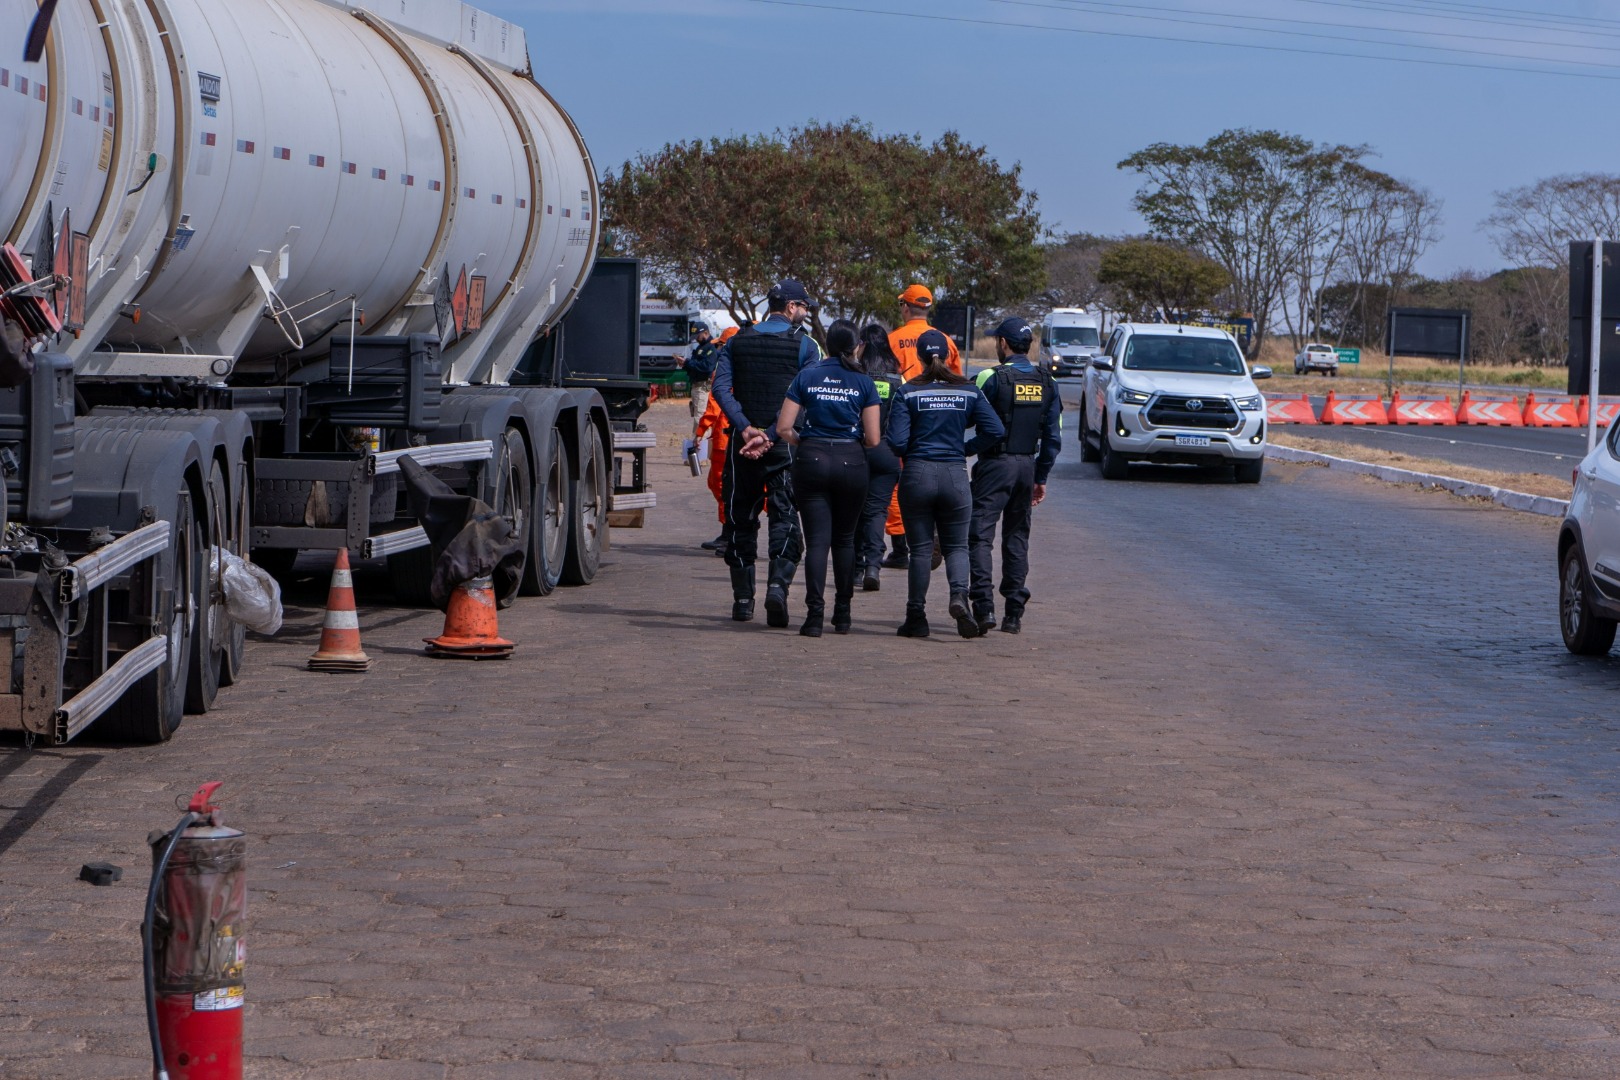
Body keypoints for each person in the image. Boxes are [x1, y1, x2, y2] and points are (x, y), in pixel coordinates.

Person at [710, 280, 821, 625]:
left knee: (740, 518)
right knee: (785, 517)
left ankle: (743, 601)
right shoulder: (806, 346)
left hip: (741, 447)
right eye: (804, 307)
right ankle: (778, 587)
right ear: (790, 307)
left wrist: (745, 427)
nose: (806, 313)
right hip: (783, 447)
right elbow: (808, 397)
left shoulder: (736, 342)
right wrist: (772, 434)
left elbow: (719, 387)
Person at [886, 329, 1003, 639]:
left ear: (920, 358)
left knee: (921, 551)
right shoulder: (968, 391)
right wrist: (964, 449)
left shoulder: (907, 392)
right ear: (951, 356)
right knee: (957, 547)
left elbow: (896, 442)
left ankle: (916, 617)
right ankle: (958, 597)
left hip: (917, 474)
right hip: (954, 474)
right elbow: (995, 430)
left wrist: (915, 448)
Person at [774, 320, 881, 637]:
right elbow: (874, 439)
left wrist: (805, 442)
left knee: (817, 542)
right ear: (856, 346)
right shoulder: (864, 382)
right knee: (845, 540)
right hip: (851, 461)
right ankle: (843, 614)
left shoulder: (807, 375)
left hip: (812, 459)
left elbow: (783, 428)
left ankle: (813, 617)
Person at [967, 317, 1063, 636]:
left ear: (1004, 344)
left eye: (997, 341)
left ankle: (983, 607)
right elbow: (1053, 437)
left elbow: (960, 411)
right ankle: (1013, 614)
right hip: (1027, 467)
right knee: (1017, 537)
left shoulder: (989, 377)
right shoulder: (1047, 381)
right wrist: (1041, 477)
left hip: (995, 466)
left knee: (980, 535)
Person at [853, 323, 904, 591]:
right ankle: (874, 565)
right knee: (876, 512)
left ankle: (855, 569)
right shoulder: (898, 381)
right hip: (886, 452)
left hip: (855, 451)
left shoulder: (854, 376)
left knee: (853, 511)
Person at [889, 283, 962, 382]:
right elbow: (958, 382)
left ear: (905, 307)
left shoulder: (891, 340)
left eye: (901, 303)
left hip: (903, 396)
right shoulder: (947, 342)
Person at [683, 323, 719, 426]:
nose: (696, 339)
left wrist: (688, 363)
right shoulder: (701, 347)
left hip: (703, 387)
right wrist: (685, 364)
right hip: (697, 386)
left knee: (700, 419)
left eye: (698, 336)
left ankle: (699, 441)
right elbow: (696, 366)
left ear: (706, 333)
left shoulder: (711, 347)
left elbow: (707, 367)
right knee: (697, 416)